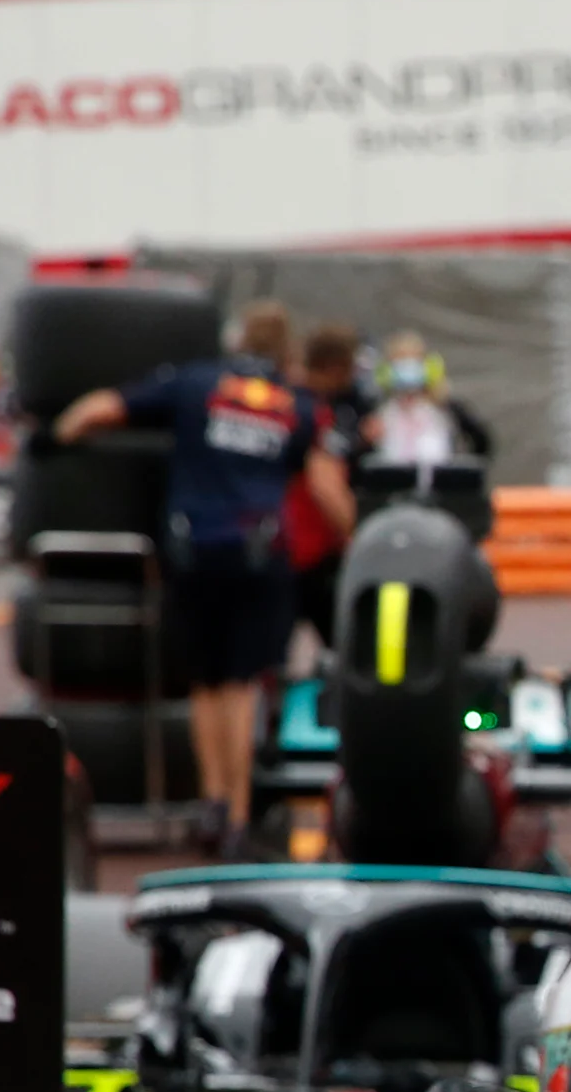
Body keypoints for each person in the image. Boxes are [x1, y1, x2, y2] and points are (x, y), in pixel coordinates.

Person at [55, 299, 353, 854]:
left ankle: (213, 799)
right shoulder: (298, 406)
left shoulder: (194, 384)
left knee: (205, 682)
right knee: (242, 685)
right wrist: (358, 538)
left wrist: (54, 442)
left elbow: (99, 409)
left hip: (194, 549)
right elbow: (325, 490)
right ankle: (239, 814)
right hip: (261, 553)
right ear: (286, 350)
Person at [284, 322, 372, 644]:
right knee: (346, 645)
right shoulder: (307, 410)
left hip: (287, 544)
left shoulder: (282, 398)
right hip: (307, 548)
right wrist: (358, 535)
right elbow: (324, 485)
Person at [366, 333, 494, 467]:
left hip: (438, 482)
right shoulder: (378, 411)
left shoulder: (447, 409)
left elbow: (482, 441)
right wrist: (367, 441)